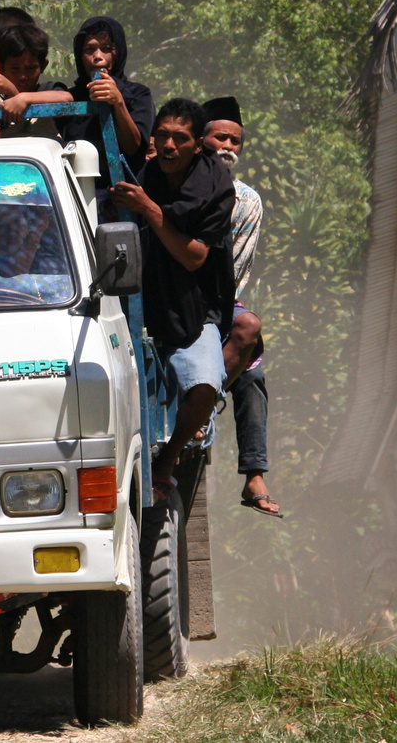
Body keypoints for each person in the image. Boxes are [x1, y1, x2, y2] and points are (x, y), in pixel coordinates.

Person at [111, 98, 235, 501]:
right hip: (137, 301)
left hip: (194, 306)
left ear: (198, 144)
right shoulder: (139, 172)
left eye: (179, 139)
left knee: (204, 385)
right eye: (162, 135)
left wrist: (147, 207)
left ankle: (168, 458)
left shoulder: (216, 188)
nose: (168, 146)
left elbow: (194, 256)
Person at [201, 96, 280, 518]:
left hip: (217, 300)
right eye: (220, 136)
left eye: (236, 140)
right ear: (201, 139)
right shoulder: (174, 182)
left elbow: (233, 269)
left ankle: (254, 473)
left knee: (252, 374)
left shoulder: (245, 200)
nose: (228, 145)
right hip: (173, 296)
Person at [64, 16, 153, 185]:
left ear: (118, 52)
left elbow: (133, 147)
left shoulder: (138, 95)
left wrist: (118, 102)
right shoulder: (71, 98)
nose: (97, 56)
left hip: (121, 196)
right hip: (76, 194)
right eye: (89, 49)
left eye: (106, 49)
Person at [0, 24, 72, 140]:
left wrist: (22, 98)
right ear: (0, 66)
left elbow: (66, 98)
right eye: (15, 69)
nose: (23, 76)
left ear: (43, 66)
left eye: (31, 68)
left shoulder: (46, 90)